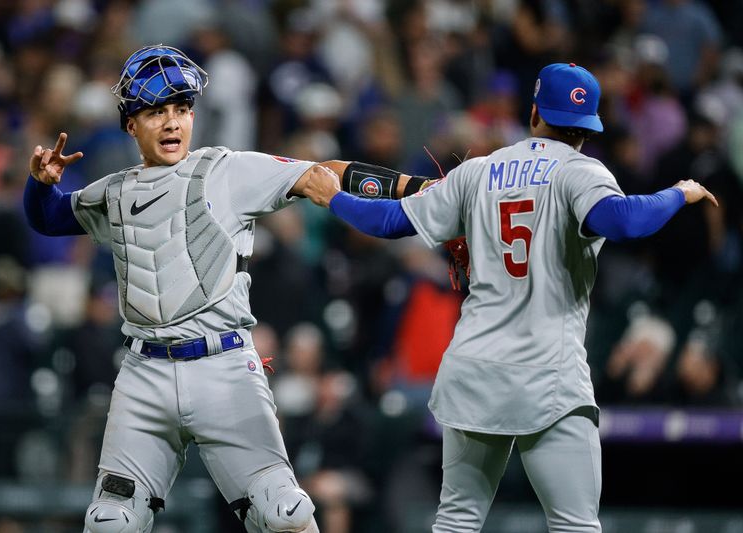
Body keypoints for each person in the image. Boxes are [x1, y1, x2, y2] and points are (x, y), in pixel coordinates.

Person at [301, 63, 718, 532]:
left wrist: (333, 198)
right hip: (548, 374)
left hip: (473, 369)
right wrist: (680, 194)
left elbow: (390, 222)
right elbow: (624, 222)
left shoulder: (479, 170)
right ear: (587, 127)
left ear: (535, 110)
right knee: (575, 525)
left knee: (457, 521)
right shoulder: (580, 171)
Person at [23, 45, 332, 533]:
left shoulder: (228, 170)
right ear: (131, 125)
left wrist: (405, 195)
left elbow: (318, 174)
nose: (172, 123)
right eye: (155, 111)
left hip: (225, 366)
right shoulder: (115, 191)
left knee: (283, 516)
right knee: (111, 524)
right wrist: (39, 185)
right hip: (144, 373)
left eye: (181, 109)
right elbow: (49, 217)